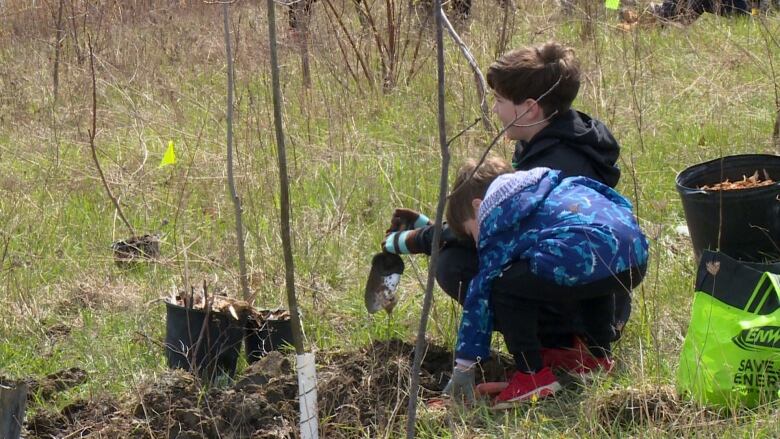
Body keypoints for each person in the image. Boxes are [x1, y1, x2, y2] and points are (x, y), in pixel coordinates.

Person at [380, 41, 629, 356]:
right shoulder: (557, 136)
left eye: (499, 100)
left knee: (453, 266)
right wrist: (445, 229)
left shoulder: (554, 165)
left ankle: (557, 346)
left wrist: (420, 239)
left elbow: (504, 234)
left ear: (528, 108)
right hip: (596, 286)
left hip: (580, 299)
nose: (494, 109)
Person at [441, 158, 649, 408]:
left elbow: (480, 294)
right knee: (588, 266)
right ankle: (597, 355)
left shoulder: (496, 217)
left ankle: (532, 376)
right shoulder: (548, 184)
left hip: (587, 256)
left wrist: (464, 364)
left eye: (471, 232)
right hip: (633, 256)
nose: (476, 243)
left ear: (478, 207)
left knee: (502, 284)